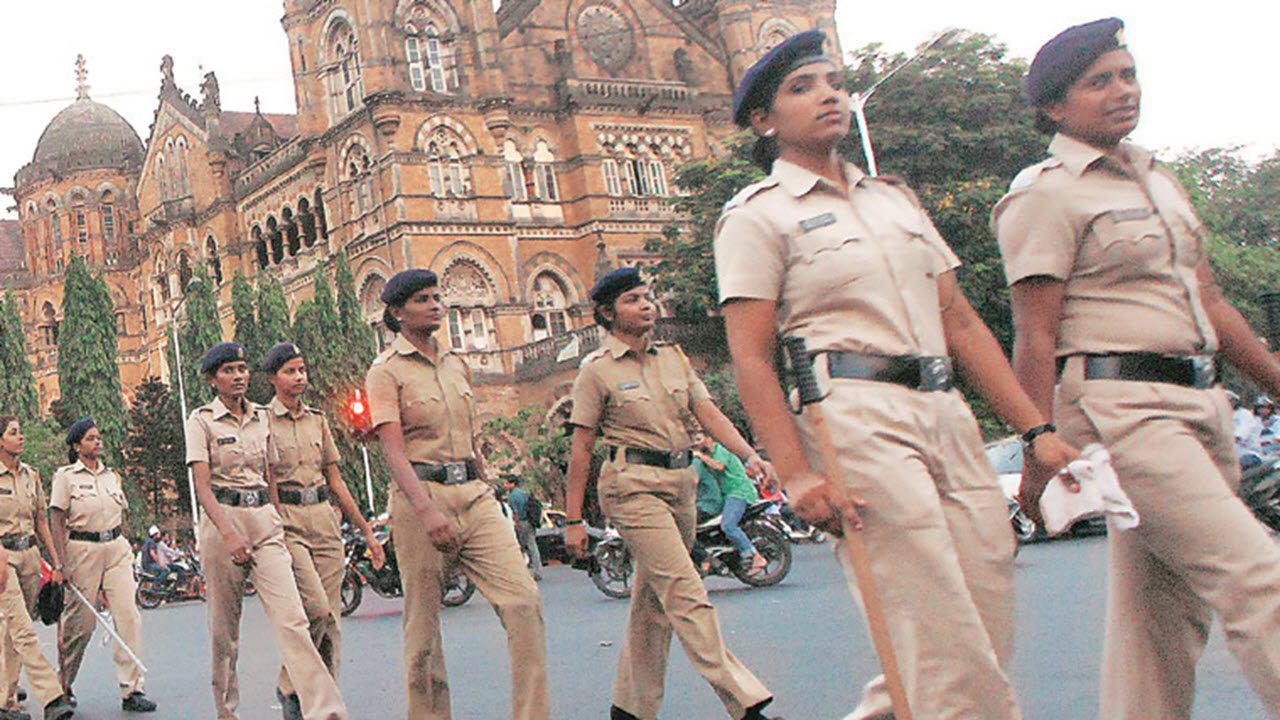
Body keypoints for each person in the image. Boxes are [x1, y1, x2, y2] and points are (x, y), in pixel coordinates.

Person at [713, 30, 1079, 719]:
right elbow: (752, 355)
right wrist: (794, 473)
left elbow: (963, 324)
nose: (828, 94)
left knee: (985, 610)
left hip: (946, 412)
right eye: (802, 87)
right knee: (939, 630)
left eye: (833, 82)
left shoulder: (894, 201)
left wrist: (1036, 429)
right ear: (764, 120)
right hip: (854, 417)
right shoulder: (757, 217)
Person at [994, 18, 1280, 718]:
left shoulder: (1159, 180)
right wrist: (1036, 443)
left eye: (1128, 74)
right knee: (1257, 577)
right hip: (1122, 413)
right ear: (1055, 108)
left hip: (1198, 405)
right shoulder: (1044, 194)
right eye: (1100, 82)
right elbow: (1036, 333)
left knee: (1158, 621)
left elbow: (1209, 301)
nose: (1122, 90)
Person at [563, 266, 781, 720]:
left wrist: (750, 455)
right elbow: (581, 449)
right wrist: (572, 519)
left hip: (681, 484)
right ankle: (746, 704)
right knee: (685, 591)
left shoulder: (673, 358)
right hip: (631, 488)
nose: (647, 305)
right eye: (633, 300)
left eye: (648, 297)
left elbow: (708, 413)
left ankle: (630, 709)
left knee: (653, 599)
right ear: (607, 313)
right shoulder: (596, 372)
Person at [365, 269, 549, 720]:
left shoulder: (456, 363)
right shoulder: (385, 372)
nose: (435, 305)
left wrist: (486, 486)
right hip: (420, 500)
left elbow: (471, 435)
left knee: (523, 602)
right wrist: (426, 511)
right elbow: (393, 450)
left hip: (474, 495)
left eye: (437, 297)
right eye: (423, 299)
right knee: (424, 630)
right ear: (396, 313)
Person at [184, 342, 347, 720]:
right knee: (225, 631)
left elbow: (269, 475)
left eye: (242, 369)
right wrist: (228, 534)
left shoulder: (261, 418)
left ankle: (325, 709)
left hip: (264, 522)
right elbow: (203, 486)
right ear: (213, 379)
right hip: (223, 521)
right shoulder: (202, 421)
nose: (238, 376)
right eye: (228, 371)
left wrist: (275, 518)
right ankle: (226, 709)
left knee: (297, 618)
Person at [261, 342, 386, 720]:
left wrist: (364, 528)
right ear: (272, 378)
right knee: (314, 610)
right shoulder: (262, 421)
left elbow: (335, 477)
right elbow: (267, 481)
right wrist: (276, 525)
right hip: (290, 523)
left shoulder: (317, 419)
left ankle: (320, 703)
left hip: (324, 521)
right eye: (290, 371)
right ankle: (290, 684)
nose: (299, 377)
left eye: (302, 370)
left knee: (331, 622)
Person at [48, 418, 155, 713]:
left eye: (99, 436)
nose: (98, 441)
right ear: (77, 445)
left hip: (116, 548)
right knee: (81, 625)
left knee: (129, 616)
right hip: (82, 550)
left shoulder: (111, 476)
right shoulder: (66, 477)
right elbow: (56, 518)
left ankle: (132, 688)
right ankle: (63, 685)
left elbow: (122, 513)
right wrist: (60, 561)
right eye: (91, 438)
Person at [0, 415, 75, 720]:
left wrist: (56, 562)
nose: (21, 437)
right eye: (14, 432)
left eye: (21, 431)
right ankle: (52, 696)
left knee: (13, 630)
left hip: (29, 554)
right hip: (3, 555)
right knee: (22, 629)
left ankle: (5, 701)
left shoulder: (32, 475)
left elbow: (41, 521)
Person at [693, 433, 768, 576]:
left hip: (739, 493)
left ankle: (755, 556)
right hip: (728, 495)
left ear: (710, 438)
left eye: (699, 439)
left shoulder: (721, 450)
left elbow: (719, 466)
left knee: (728, 525)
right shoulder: (709, 455)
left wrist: (699, 455)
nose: (696, 444)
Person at [503, 476, 542, 581]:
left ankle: (525, 572)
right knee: (532, 545)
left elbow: (515, 513)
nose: (505, 485)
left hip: (522, 522)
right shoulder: (523, 493)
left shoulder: (513, 496)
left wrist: (515, 524)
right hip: (530, 521)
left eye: (507, 483)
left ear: (512, 484)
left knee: (522, 546)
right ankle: (537, 570)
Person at [1229, 391, 1265, 469]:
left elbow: (1240, 433)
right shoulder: (1223, 417)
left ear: (1234, 402)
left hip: (1248, 453)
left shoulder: (1244, 414)